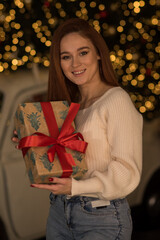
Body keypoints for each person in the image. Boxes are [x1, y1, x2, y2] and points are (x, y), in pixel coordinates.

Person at [12, 18, 143, 240]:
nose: (75, 64)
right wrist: (31, 143)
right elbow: (66, 161)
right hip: (59, 213)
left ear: (99, 54)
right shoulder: (69, 108)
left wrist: (76, 187)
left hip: (101, 217)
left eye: (83, 53)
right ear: (59, 63)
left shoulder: (116, 100)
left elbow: (127, 173)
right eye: (66, 57)